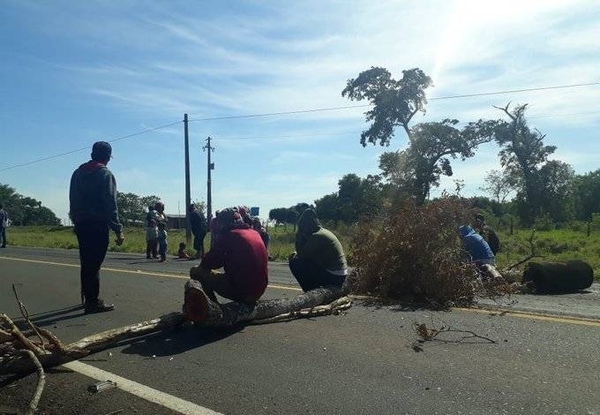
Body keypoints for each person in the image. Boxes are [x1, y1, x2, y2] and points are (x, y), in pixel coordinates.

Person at [69, 141, 124, 314]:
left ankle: (87, 297)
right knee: (93, 265)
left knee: (86, 262)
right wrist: (118, 229)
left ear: (92, 154)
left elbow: (73, 199)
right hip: (98, 225)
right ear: (108, 157)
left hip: (82, 224)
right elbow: (110, 203)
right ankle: (92, 302)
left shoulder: (77, 173)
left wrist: (76, 220)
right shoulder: (104, 174)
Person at [190, 207, 268, 305]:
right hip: (258, 291)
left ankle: (212, 307)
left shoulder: (228, 236)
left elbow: (208, 263)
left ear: (223, 223)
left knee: (196, 271)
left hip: (243, 291)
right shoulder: (254, 233)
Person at [288, 209, 348, 292]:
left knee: (295, 262)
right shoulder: (323, 232)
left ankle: (309, 291)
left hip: (334, 276)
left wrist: (298, 237)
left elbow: (302, 256)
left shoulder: (316, 237)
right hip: (340, 274)